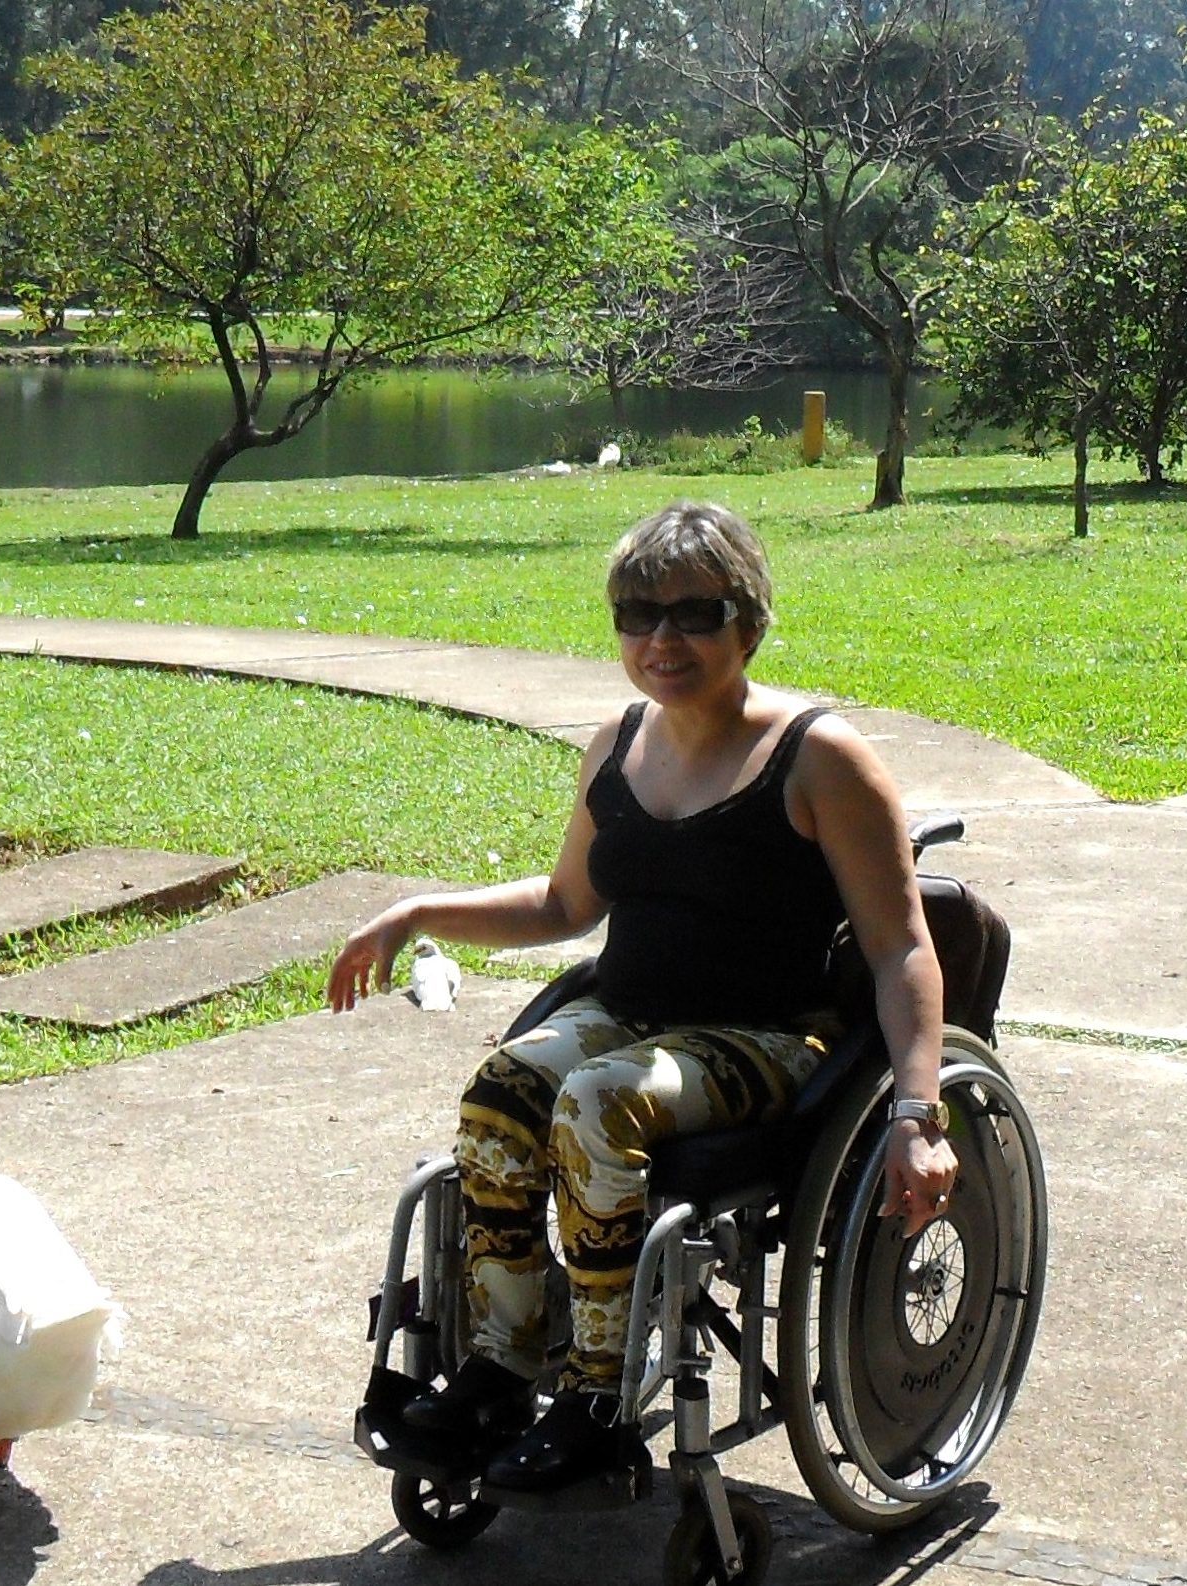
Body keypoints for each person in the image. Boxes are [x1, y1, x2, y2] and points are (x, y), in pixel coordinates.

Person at [325, 500, 960, 1497]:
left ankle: (596, 1396)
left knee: (597, 1101)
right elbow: (566, 901)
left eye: (695, 613)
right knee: (500, 1089)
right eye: (637, 614)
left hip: (771, 1035)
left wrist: (921, 1113)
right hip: (629, 1014)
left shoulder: (821, 757)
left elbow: (902, 948)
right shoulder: (617, 743)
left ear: (749, 621)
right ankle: (503, 1357)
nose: (662, 638)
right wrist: (417, 912)